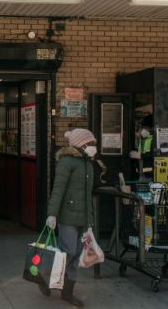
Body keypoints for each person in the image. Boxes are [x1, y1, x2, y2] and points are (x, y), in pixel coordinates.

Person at [44, 128, 97, 307]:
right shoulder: (66, 162)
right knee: (68, 252)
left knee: (75, 257)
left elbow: (88, 196)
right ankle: (46, 278)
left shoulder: (88, 163)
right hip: (67, 215)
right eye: (90, 143)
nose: (93, 147)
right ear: (81, 144)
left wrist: (90, 222)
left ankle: (67, 292)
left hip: (82, 218)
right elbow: (58, 189)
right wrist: (52, 214)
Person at [128, 115, 154, 180]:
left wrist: (140, 155)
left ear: (151, 128)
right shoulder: (143, 139)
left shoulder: (153, 139)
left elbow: (154, 154)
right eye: (142, 127)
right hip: (140, 172)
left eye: (145, 128)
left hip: (150, 174)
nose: (142, 130)